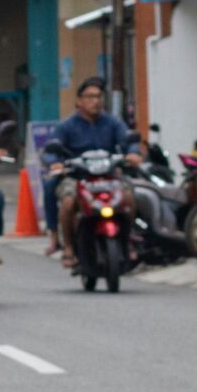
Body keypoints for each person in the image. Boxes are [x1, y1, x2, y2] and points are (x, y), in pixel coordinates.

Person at [39, 76, 141, 264]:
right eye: (90, 96)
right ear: (79, 101)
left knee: (128, 198)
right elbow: (50, 150)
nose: (95, 101)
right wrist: (55, 163)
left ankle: (127, 241)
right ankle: (68, 247)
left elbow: (127, 141)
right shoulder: (67, 126)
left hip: (109, 176)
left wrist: (133, 153)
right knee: (68, 202)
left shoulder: (112, 122)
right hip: (78, 177)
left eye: (99, 96)